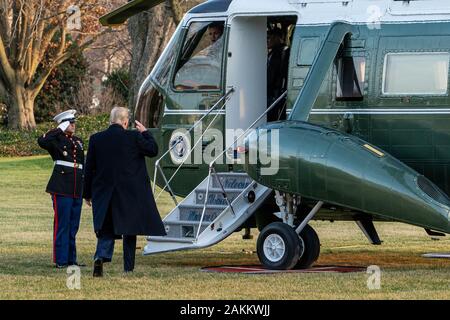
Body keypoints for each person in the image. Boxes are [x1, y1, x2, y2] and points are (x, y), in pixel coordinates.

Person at [83, 107, 166, 277]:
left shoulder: (96, 139)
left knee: (106, 228)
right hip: (129, 193)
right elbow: (153, 150)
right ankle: (128, 267)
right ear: (126, 122)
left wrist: (87, 193)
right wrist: (145, 133)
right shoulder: (134, 137)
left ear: (111, 120)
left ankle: (101, 256)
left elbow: (89, 168)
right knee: (129, 229)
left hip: (104, 191)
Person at [37, 109, 85, 268]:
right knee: (62, 224)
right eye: (70, 123)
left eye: (73, 122)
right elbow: (41, 141)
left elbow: (82, 167)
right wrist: (59, 129)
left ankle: (71, 259)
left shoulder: (78, 141)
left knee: (73, 225)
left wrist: (86, 191)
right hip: (62, 186)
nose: (73, 125)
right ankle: (61, 260)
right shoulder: (55, 140)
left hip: (77, 187)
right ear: (64, 124)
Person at [267, 27, 290, 122]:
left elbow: (273, 74)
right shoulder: (272, 52)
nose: (267, 40)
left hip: (275, 92)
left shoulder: (281, 52)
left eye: (270, 37)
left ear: (278, 38)